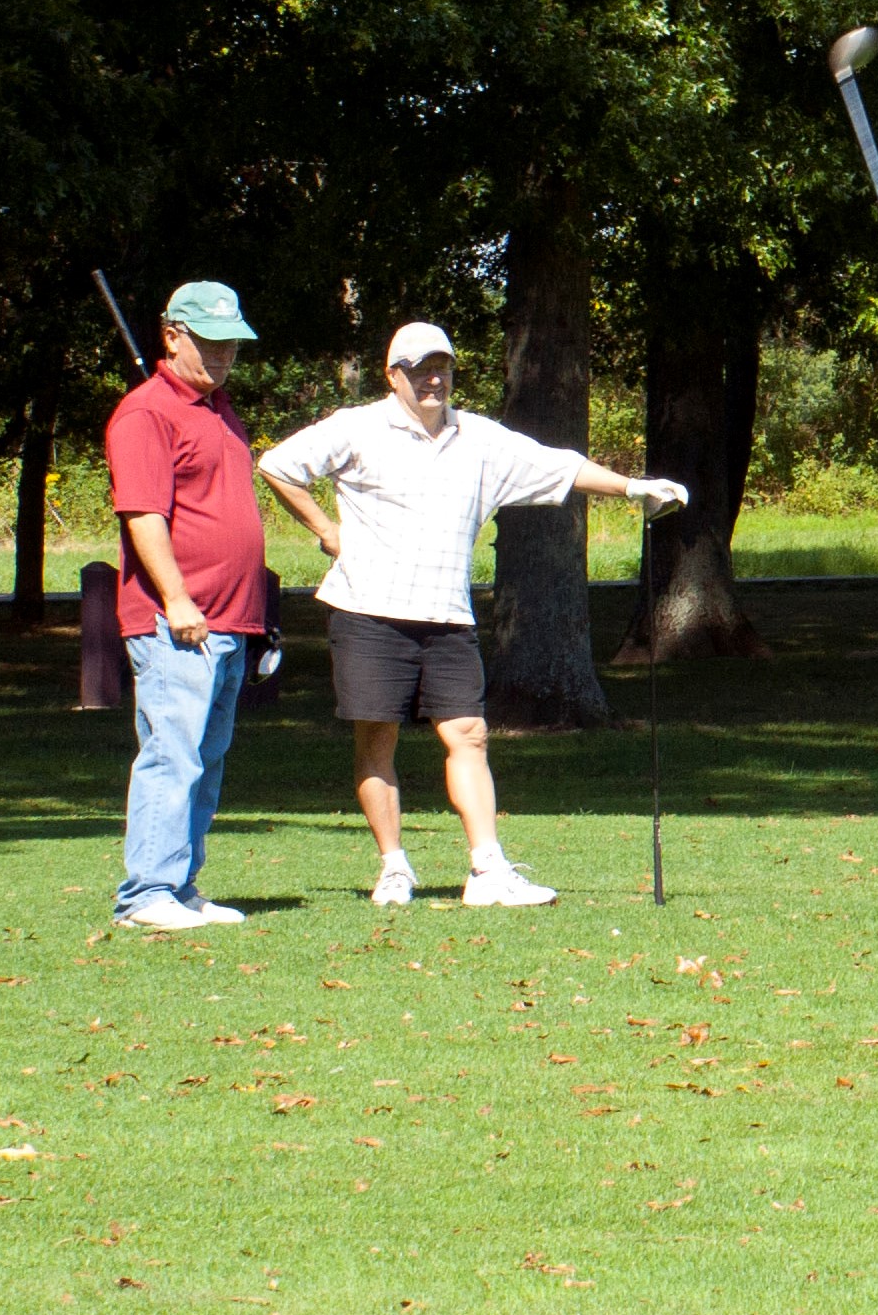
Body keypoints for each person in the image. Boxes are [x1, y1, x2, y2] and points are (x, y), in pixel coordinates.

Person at [255, 321, 687, 907]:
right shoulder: (356, 428)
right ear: (393, 375)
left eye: (443, 368)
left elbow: (559, 467)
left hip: (448, 615)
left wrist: (633, 488)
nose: (433, 379)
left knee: (469, 735)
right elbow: (278, 465)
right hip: (366, 610)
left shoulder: (479, 438)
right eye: (419, 368)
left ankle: (487, 870)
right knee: (377, 739)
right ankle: (393, 868)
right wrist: (327, 529)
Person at [106, 281, 288, 933]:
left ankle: (179, 885)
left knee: (205, 760)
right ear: (172, 334)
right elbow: (143, 514)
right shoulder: (145, 413)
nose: (221, 354)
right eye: (209, 342)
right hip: (177, 620)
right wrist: (178, 598)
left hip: (229, 619)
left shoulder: (217, 410)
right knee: (172, 754)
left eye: (230, 343)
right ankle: (145, 892)